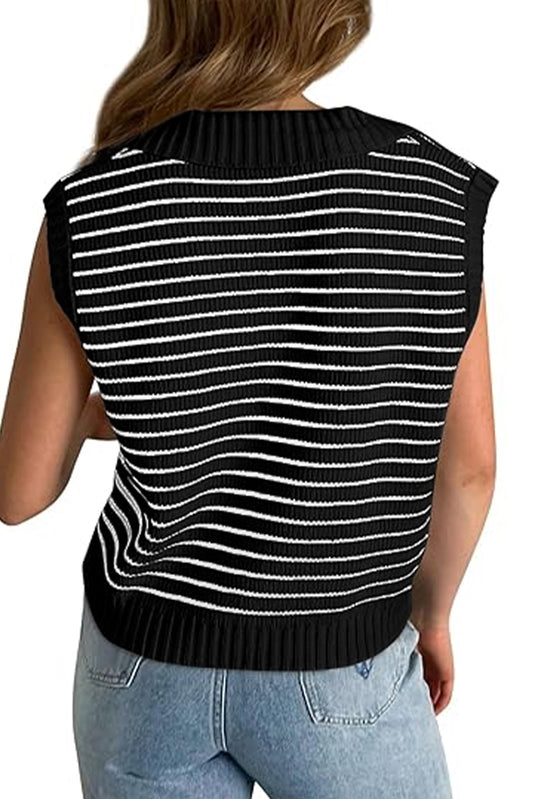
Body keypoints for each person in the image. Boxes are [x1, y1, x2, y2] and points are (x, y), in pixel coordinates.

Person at [0, 1, 497, 797]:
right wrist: (430, 614)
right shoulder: (429, 192)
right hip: (342, 665)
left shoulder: (93, 201)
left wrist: (100, 415)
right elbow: (468, 468)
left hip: (143, 671)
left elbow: (19, 493)